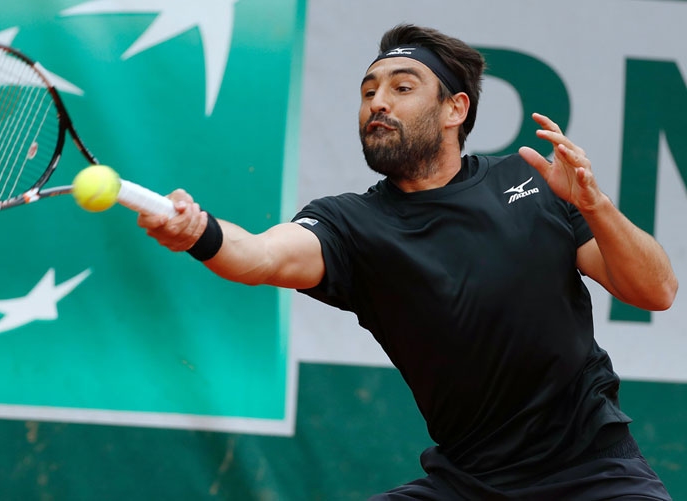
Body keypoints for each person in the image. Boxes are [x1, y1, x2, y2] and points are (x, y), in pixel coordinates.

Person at [137, 23, 679, 500]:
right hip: (470, 481)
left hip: (594, 472)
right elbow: (259, 256)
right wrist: (199, 231)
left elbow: (656, 291)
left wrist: (596, 206)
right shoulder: (350, 224)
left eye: (401, 87)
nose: (378, 102)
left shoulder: (532, 181)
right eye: (368, 91)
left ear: (454, 109)